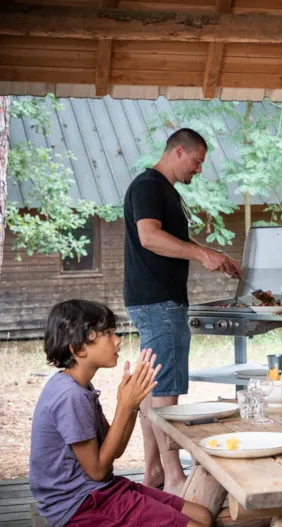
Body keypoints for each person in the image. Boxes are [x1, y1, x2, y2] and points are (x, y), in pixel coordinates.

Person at [123, 128, 241, 494]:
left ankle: (155, 472)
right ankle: (175, 478)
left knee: (151, 387)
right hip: (159, 301)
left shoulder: (164, 191)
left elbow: (173, 238)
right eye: (197, 161)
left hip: (153, 299)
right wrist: (201, 253)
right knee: (166, 392)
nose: (199, 169)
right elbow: (149, 237)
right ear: (178, 151)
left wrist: (212, 254)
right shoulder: (148, 186)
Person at [30, 300, 213, 527]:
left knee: (204, 516)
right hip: (80, 505)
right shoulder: (70, 397)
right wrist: (124, 406)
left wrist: (132, 404)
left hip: (101, 490)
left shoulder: (80, 387)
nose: (117, 340)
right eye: (107, 333)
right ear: (79, 348)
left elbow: (114, 450)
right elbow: (97, 471)